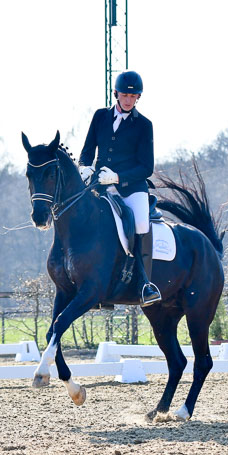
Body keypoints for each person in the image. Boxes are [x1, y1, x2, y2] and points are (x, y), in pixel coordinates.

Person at [78, 70, 162, 306]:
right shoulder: (100, 116)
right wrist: (84, 166)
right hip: (100, 187)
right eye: (124, 95)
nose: (128, 100)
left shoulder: (144, 125)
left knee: (141, 223)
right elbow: (87, 150)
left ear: (138, 98)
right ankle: (88, 281)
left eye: (133, 96)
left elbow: (146, 167)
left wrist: (117, 177)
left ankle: (145, 284)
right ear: (116, 94)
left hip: (131, 188)